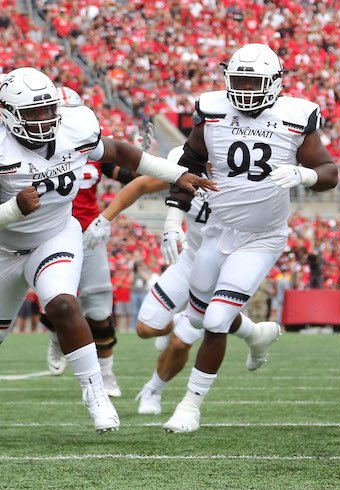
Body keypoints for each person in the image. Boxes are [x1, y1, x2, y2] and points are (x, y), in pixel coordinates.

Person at [0, 67, 212, 432]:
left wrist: (175, 174)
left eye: (49, 109)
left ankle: (95, 394)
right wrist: (13, 209)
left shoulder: (74, 127)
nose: (45, 119)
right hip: (4, 247)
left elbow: (120, 153)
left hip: (55, 235)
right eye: (33, 113)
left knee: (64, 304)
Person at [161, 43, 338, 433]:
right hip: (216, 231)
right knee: (196, 316)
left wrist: (303, 175)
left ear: (274, 83)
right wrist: (173, 218)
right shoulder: (212, 111)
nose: (245, 89)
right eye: (238, 79)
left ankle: (190, 406)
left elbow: (329, 171)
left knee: (217, 318)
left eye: (253, 81)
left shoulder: (295, 116)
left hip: (262, 237)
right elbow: (187, 164)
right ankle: (257, 335)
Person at [80, 147, 282, 416]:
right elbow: (141, 184)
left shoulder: (248, 174)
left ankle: (154, 389)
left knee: (184, 339)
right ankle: (253, 333)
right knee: (146, 328)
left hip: (229, 262)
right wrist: (104, 219)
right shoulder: (186, 163)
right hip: (191, 257)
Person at [43, 86, 135, 397]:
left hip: (87, 232)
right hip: (49, 233)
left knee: (98, 308)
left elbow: (126, 176)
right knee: (55, 301)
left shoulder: (91, 148)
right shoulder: (34, 149)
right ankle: (58, 335)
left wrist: (139, 166)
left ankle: (107, 374)